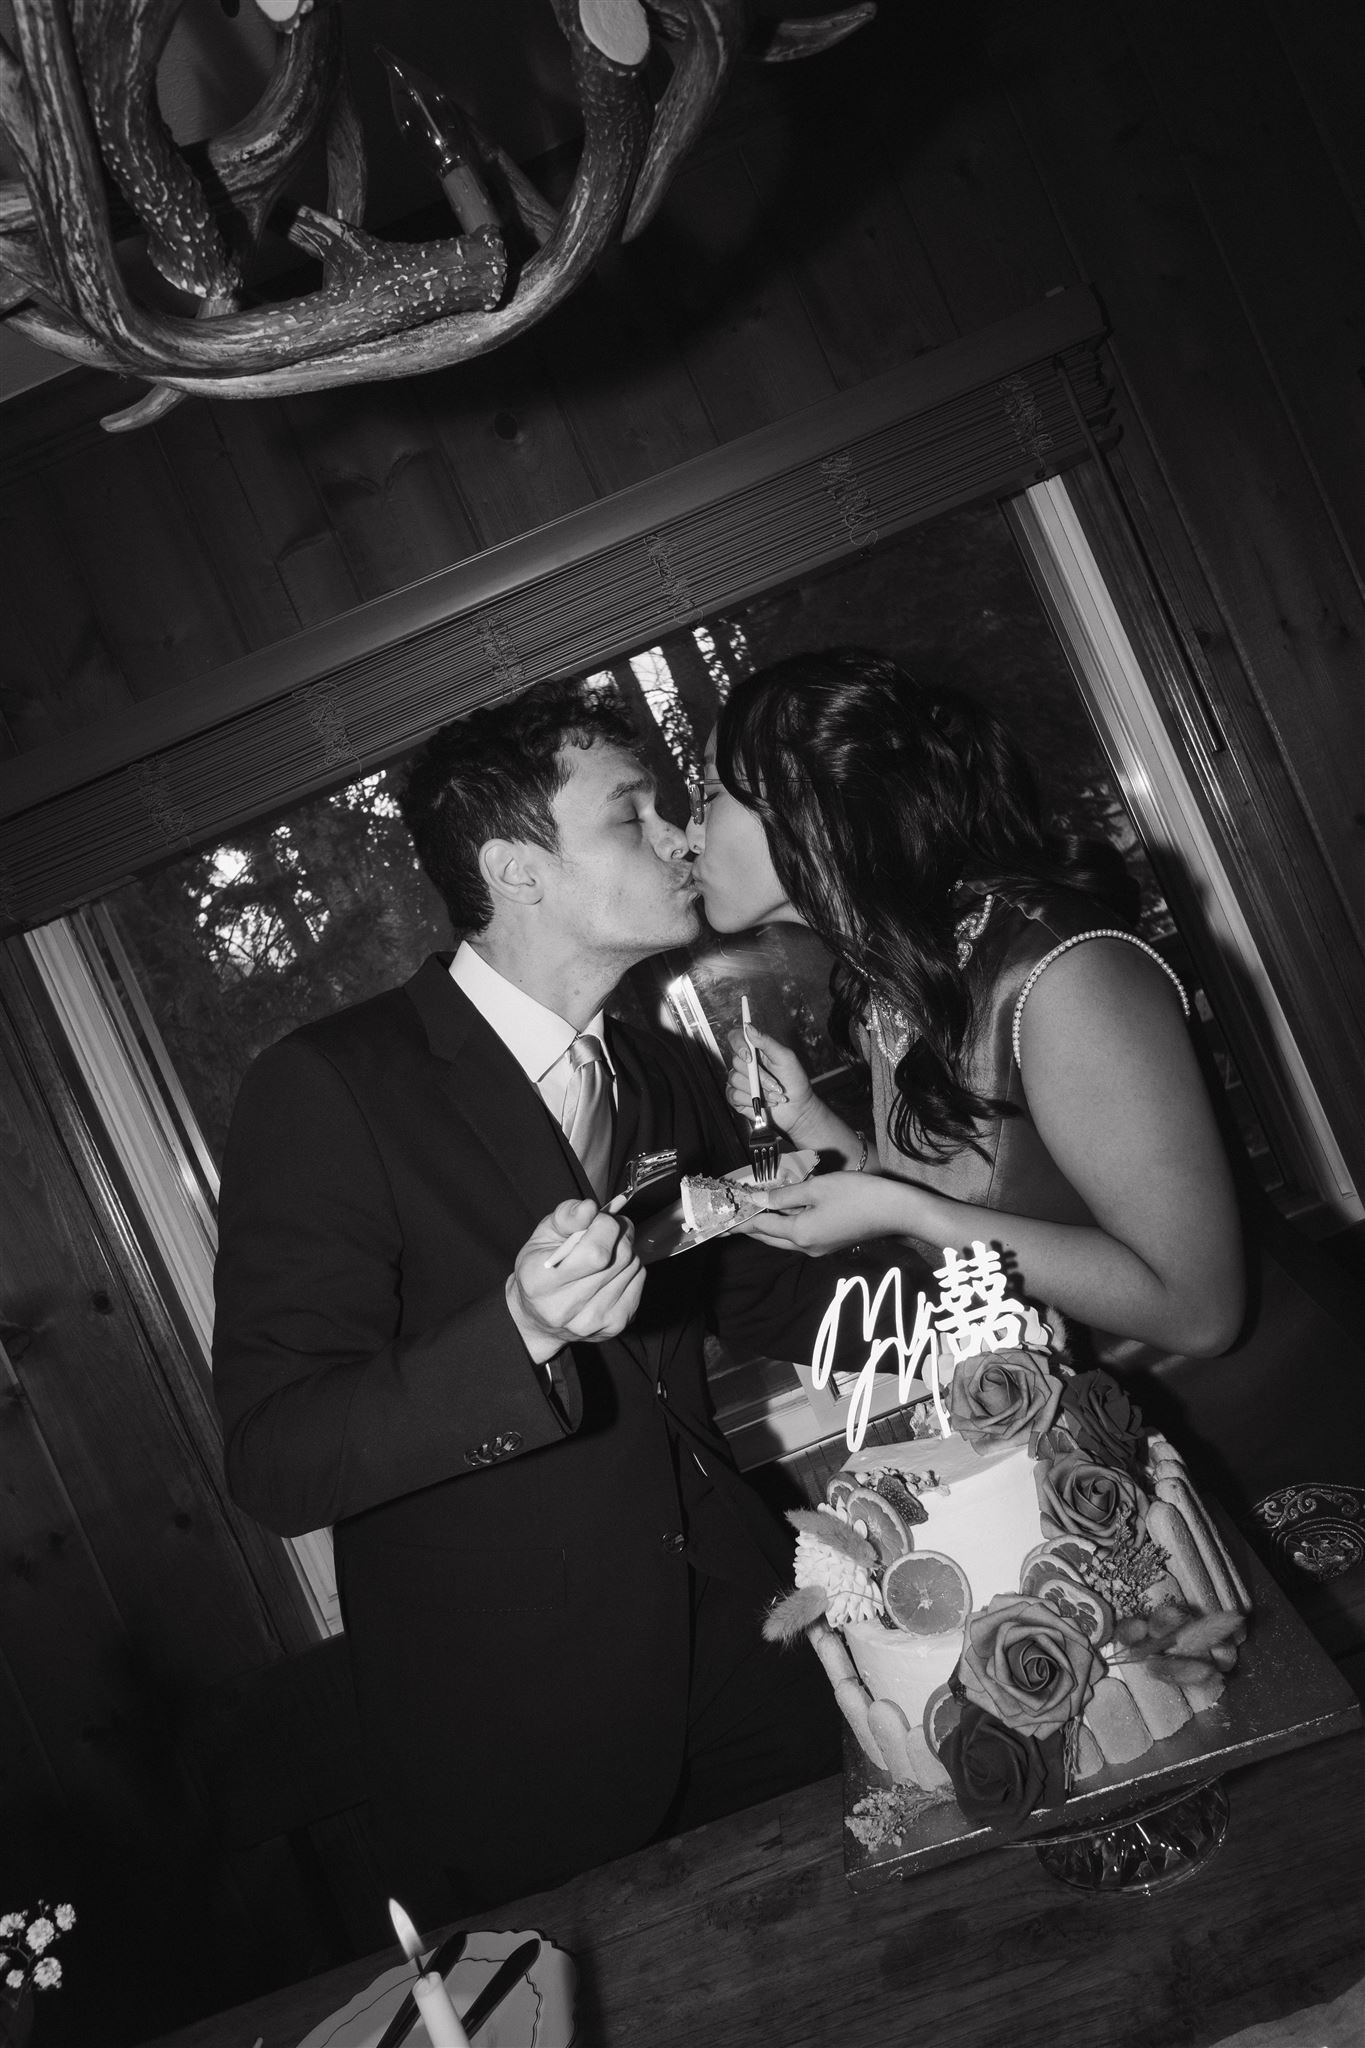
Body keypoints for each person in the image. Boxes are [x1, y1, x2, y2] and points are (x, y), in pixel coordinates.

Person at [212, 678, 871, 1917]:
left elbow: (775, 1300)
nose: (682, 834)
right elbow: (276, 1456)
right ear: (515, 868)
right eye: (635, 813)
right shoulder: (328, 1090)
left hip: (757, 1650)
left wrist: (973, 1265)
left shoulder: (670, 1071)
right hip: (520, 1737)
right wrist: (518, 1333)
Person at [687, 646, 1246, 1363]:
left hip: (1240, 1432)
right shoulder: (891, 984)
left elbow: (1199, 1312)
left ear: (815, 807)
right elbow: (981, 1199)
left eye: (707, 796)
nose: (685, 838)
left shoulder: (1062, 972)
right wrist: (809, 1122)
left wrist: (898, 1210)